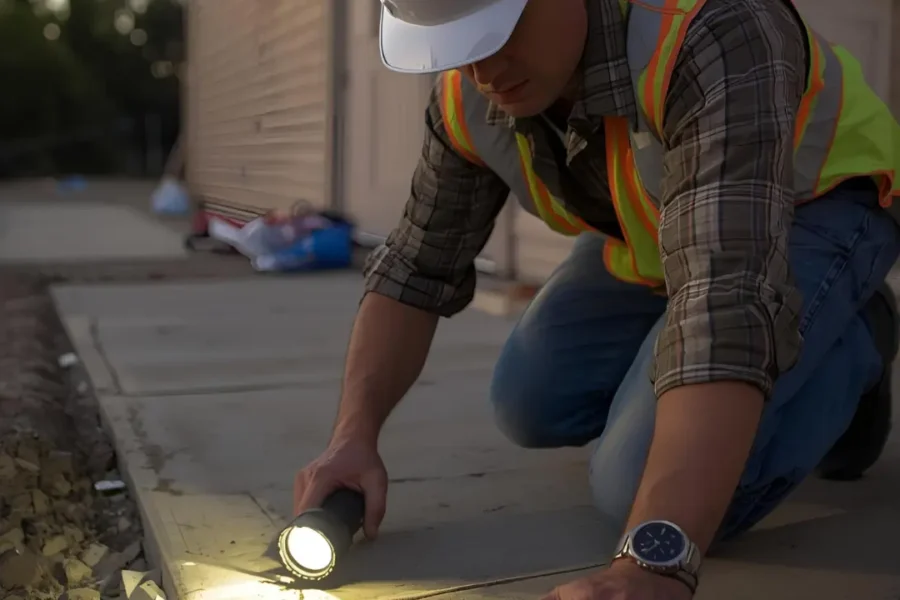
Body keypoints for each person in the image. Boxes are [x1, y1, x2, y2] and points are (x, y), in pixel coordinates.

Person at [294, 0, 900, 597]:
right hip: (661, 235)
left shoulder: (714, 29)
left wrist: (654, 565)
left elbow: (723, 303)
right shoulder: (468, 95)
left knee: (634, 485)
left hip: (814, 206)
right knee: (528, 402)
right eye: (461, 45)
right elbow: (416, 267)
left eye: (500, 30)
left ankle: (858, 334)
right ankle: (720, 369)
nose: (484, 70)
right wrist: (352, 438)